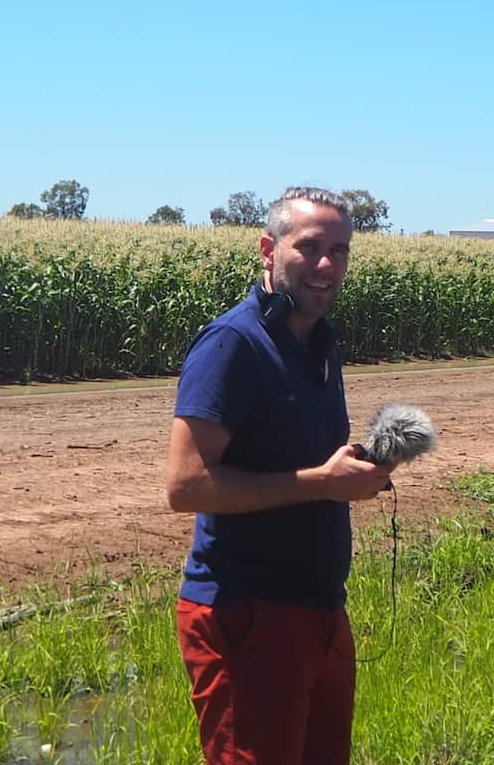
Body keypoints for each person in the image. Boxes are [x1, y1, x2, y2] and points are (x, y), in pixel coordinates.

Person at [164, 186, 394, 765]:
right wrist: (321, 482)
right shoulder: (233, 344)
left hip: (319, 611)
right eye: (310, 247)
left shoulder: (320, 343)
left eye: (340, 251)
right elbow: (186, 485)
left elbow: (300, 456)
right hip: (246, 615)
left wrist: (357, 469)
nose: (326, 265)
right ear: (269, 249)